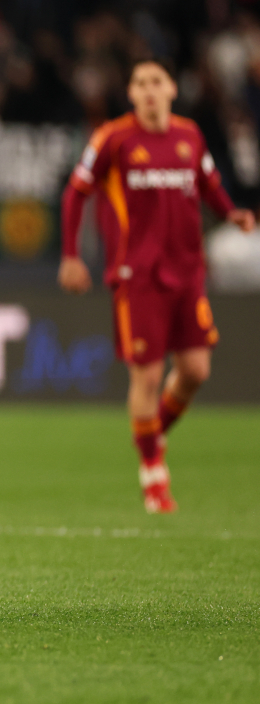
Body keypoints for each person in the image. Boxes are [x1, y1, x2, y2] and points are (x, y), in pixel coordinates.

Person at [59, 59, 255, 514]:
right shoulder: (112, 138)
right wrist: (71, 255)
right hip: (137, 275)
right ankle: (154, 478)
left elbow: (208, 183)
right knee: (146, 375)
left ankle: (151, 434)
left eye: (156, 82)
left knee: (195, 371)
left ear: (171, 89)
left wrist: (231, 214)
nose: (149, 90)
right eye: (140, 83)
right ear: (131, 94)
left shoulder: (190, 136)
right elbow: (76, 192)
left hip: (188, 272)